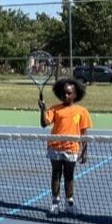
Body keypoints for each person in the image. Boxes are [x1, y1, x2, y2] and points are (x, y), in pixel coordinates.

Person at [39, 78, 91, 216]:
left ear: (75, 94)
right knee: (56, 175)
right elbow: (44, 123)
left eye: (69, 93)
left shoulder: (82, 111)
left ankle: (69, 203)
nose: (66, 96)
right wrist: (43, 110)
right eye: (63, 93)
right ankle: (55, 203)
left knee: (69, 176)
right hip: (55, 147)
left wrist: (84, 152)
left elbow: (84, 133)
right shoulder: (55, 109)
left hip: (72, 148)